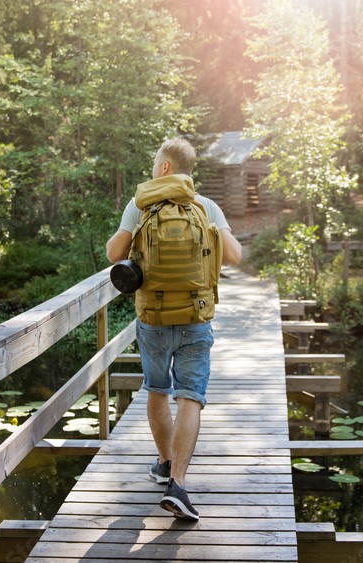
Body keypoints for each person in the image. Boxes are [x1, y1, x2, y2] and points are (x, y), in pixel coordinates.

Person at [105, 138, 242, 521]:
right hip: (196, 316)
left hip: (152, 319)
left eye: (155, 163)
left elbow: (114, 255)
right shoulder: (206, 206)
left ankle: (164, 461)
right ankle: (178, 484)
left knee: (157, 390)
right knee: (190, 397)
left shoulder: (141, 205)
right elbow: (234, 256)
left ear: (165, 168)